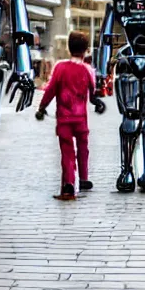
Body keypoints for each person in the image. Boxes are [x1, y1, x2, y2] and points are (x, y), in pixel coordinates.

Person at [36, 31, 105, 200]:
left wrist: (42, 107)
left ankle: (68, 183)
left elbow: (50, 90)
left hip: (64, 119)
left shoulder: (60, 67)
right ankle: (83, 178)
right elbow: (94, 94)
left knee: (67, 151)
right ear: (86, 49)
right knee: (83, 149)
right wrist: (98, 104)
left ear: (68, 47)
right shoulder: (88, 70)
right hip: (81, 119)